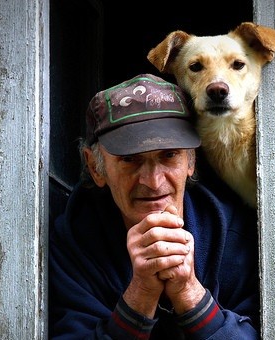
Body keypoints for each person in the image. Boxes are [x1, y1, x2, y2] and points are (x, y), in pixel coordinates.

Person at [48, 74, 260, 339]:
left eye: (169, 155)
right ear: (95, 168)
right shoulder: (74, 243)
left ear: (191, 161)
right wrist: (142, 293)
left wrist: (187, 291)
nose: (153, 181)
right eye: (129, 159)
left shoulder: (233, 235)